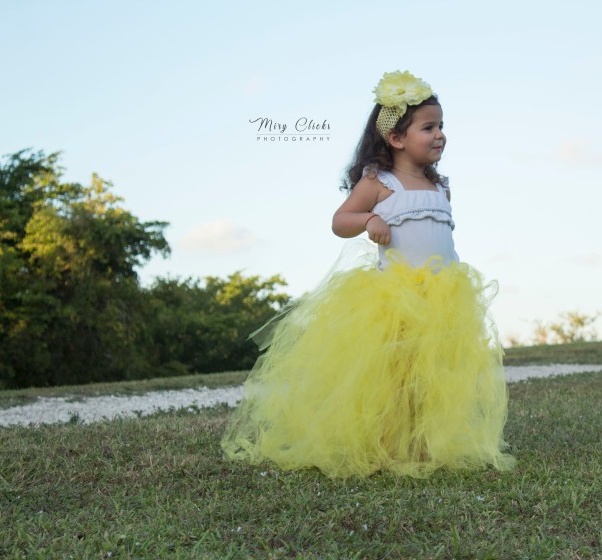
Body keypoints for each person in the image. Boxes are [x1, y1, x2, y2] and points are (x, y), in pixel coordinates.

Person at [221, 70, 516, 478]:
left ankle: (422, 444)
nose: (440, 135)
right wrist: (369, 219)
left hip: (442, 298)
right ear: (395, 138)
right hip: (395, 298)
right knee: (395, 377)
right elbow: (340, 220)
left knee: (432, 375)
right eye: (428, 127)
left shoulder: (440, 187)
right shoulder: (380, 183)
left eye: (441, 126)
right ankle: (386, 444)